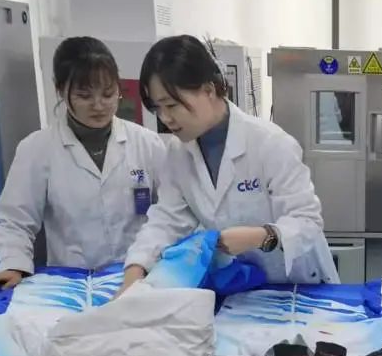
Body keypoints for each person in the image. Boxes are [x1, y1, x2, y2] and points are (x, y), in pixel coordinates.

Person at [118, 35, 338, 295]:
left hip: (297, 284)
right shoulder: (178, 152)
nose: (165, 118)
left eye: (172, 105)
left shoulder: (270, 143)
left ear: (209, 90)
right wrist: (135, 270)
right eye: (158, 109)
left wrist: (261, 236)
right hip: (242, 289)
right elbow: (166, 220)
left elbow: (307, 222)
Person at [0, 37, 165, 292]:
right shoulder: (37, 149)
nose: (99, 105)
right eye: (84, 95)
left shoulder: (146, 143)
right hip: (71, 284)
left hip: (138, 277)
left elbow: (171, 211)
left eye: (108, 94)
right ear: (60, 90)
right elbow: (16, 221)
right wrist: (13, 264)